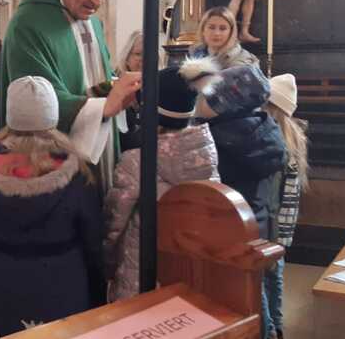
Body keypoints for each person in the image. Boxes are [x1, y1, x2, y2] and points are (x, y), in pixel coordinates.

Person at [0, 0, 142, 191]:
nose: (97, 2)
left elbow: (93, 83)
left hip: (100, 143)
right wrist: (103, 107)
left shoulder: (93, 23)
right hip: (48, 166)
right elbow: (37, 103)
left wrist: (119, 87)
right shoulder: (29, 23)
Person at [0, 77, 105, 336]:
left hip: (4, 276)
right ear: (52, 116)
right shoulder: (77, 170)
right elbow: (92, 237)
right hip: (63, 277)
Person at [105, 61, 222, 301]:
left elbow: (114, 223)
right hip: (189, 273)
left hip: (141, 274)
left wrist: (104, 259)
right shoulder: (204, 155)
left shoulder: (136, 162)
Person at [192, 62, 286, 339]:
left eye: (208, 97)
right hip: (258, 219)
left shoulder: (222, 138)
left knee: (244, 295)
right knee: (255, 287)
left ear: (226, 104)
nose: (200, 102)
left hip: (232, 226)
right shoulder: (263, 128)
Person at [264, 74, 308, 339]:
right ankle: (276, 324)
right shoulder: (290, 135)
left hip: (274, 222)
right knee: (274, 275)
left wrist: (280, 234)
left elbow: (287, 193)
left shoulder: (280, 140)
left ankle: (272, 326)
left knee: (267, 277)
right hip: (279, 223)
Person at [189, 7, 260, 69]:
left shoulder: (243, 61)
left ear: (231, 32)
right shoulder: (195, 54)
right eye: (211, 27)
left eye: (223, 29)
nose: (216, 33)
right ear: (203, 30)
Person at [114, 31, 145, 152]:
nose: (144, 59)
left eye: (149, 53)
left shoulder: (160, 86)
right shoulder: (115, 85)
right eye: (138, 54)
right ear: (127, 58)